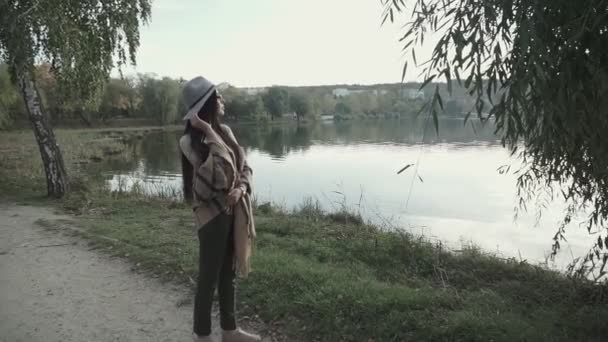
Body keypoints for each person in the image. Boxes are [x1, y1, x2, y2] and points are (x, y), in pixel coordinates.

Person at [179, 76, 260, 342]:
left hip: (235, 211)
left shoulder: (227, 130)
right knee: (208, 277)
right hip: (212, 216)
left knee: (229, 273)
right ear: (208, 104)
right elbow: (219, 176)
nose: (223, 100)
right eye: (218, 96)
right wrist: (208, 131)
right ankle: (201, 336)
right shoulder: (189, 142)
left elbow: (244, 166)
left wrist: (243, 188)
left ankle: (230, 330)